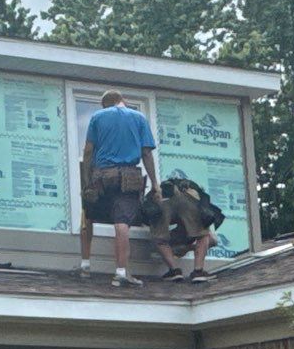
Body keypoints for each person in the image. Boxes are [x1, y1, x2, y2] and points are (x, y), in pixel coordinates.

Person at [77, 90, 160, 287]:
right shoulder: (139, 118)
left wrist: (87, 181)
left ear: (106, 105)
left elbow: (88, 151)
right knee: (121, 222)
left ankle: (85, 265)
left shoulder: (98, 117)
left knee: (87, 214)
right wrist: (155, 184)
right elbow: (146, 153)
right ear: (123, 100)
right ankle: (121, 272)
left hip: (102, 176)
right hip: (128, 177)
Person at [147, 174, 222, 283]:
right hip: (188, 195)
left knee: (159, 239)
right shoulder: (196, 194)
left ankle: (174, 271)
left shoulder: (177, 235)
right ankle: (198, 271)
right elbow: (209, 238)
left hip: (162, 196)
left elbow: (158, 234)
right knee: (202, 234)